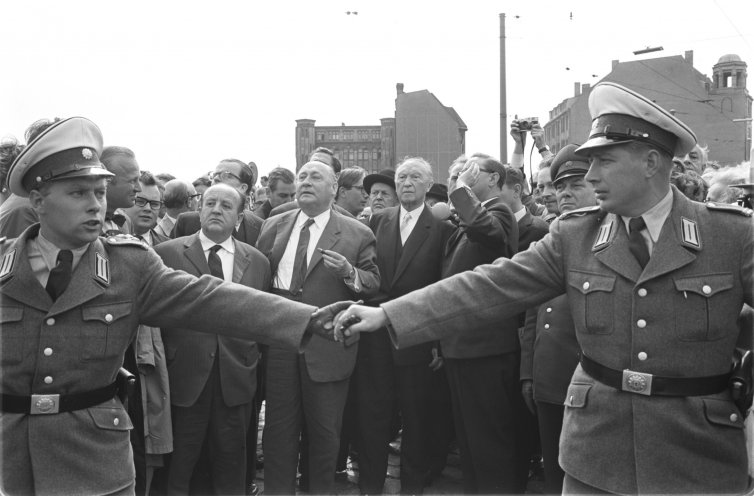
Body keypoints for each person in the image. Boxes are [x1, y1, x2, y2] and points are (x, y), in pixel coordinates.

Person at [337, 82, 754, 495]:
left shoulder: (730, 236)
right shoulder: (575, 235)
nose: (590, 176)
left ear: (650, 162)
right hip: (596, 453)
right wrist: (388, 314)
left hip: (697, 459)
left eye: (603, 161)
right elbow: (490, 286)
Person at [0, 116, 351, 496]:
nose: (95, 206)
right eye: (77, 193)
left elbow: (210, 299)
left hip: (96, 462)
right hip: (11, 458)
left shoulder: (129, 265)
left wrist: (308, 318)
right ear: (37, 201)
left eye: (99, 193)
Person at [256, 160, 379, 495]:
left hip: (328, 346)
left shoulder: (356, 232)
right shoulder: (274, 224)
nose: (306, 182)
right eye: (302, 176)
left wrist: (349, 273)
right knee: (278, 432)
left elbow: (373, 283)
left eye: (316, 177)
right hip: (282, 341)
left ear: (334, 188)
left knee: (325, 434)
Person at [155, 183, 272, 495]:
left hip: (235, 380)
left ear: (239, 218)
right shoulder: (166, 254)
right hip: (185, 379)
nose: (217, 209)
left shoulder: (258, 262)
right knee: (179, 466)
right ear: (200, 209)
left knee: (231, 466)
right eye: (210, 203)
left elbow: (263, 320)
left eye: (226, 205)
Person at [356, 157, 455, 495]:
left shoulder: (444, 230)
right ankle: (370, 485)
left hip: (417, 339)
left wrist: (438, 341)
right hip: (376, 336)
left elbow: (444, 288)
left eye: (415, 177)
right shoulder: (376, 222)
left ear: (428, 185)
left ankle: (412, 487)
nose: (406, 183)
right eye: (401, 177)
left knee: (417, 420)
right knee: (373, 416)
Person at [441, 154, 524, 493]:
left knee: (489, 441)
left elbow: (486, 230)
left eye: (473, 170)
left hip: (486, 348)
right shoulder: (464, 222)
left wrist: (460, 190)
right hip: (460, 345)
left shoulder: (498, 213)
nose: (463, 175)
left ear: (493, 179)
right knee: (470, 441)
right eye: (459, 171)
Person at [519, 144, 596, 494]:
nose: (562, 193)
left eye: (574, 184)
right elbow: (534, 314)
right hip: (550, 377)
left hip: (591, 382)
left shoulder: (617, 238)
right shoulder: (554, 238)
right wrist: (528, 373)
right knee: (554, 470)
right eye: (556, 186)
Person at [172, 159, 264, 246]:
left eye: (226, 174)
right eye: (215, 174)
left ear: (243, 187)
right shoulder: (187, 222)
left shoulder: (260, 227)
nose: (216, 178)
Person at [101, 145, 142, 235]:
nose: (139, 189)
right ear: (107, 181)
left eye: (138, 180)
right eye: (133, 180)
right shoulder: (79, 219)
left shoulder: (126, 221)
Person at [124, 171, 169, 247]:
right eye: (140, 201)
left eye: (154, 204)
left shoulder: (168, 247)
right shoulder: (105, 239)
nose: (148, 208)